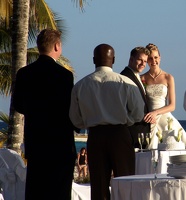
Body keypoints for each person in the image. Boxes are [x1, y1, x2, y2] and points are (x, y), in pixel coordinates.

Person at [69, 43, 145, 200]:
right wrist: (126, 121)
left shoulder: (81, 86)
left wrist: (90, 123)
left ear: (93, 60)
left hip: (96, 137)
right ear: (114, 59)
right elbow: (138, 114)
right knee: (126, 183)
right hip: (120, 135)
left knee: (98, 186)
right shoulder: (126, 83)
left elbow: (75, 119)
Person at [13, 28, 78, 200]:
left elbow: (18, 105)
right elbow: (69, 108)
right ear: (57, 46)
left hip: (36, 142)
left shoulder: (24, 73)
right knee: (60, 192)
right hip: (60, 143)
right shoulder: (64, 76)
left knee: (36, 190)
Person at [141, 43, 186, 149]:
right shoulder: (142, 78)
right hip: (150, 119)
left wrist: (155, 112)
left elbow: (172, 105)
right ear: (147, 60)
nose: (153, 61)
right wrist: (149, 115)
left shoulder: (168, 77)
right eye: (150, 58)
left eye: (156, 57)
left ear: (160, 58)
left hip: (165, 118)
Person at [120, 46, 155, 148]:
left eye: (145, 61)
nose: (143, 64)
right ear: (131, 59)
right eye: (140, 60)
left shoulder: (137, 76)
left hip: (142, 132)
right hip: (133, 133)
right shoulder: (125, 77)